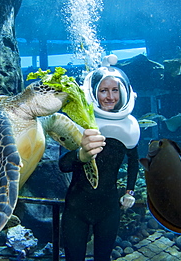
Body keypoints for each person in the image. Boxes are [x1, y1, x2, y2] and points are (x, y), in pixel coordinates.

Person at [59, 55, 140, 261]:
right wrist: (81, 154)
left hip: (109, 209)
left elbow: (133, 161)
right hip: (76, 208)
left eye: (115, 90)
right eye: (103, 90)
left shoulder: (130, 127)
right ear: (94, 94)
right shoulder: (81, 123)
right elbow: (63, 164)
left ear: (123, 93)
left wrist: (130, 191)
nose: (110, 97)